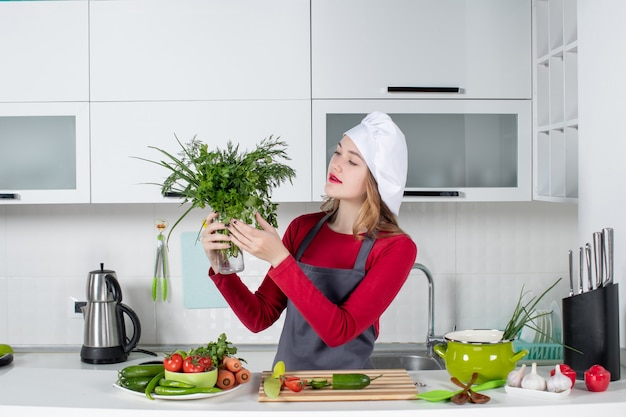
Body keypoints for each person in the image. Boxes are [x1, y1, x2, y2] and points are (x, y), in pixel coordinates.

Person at [201, 111, 417, 370]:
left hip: (350, 392)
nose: (336, 164)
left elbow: (340, 331)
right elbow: (259, 318)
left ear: (376, 178)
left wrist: (279, 259)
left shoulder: (395, 248)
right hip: (288, 385)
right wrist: (221, 268)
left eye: (353, 161)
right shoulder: (302, 228)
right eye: (337, 152)